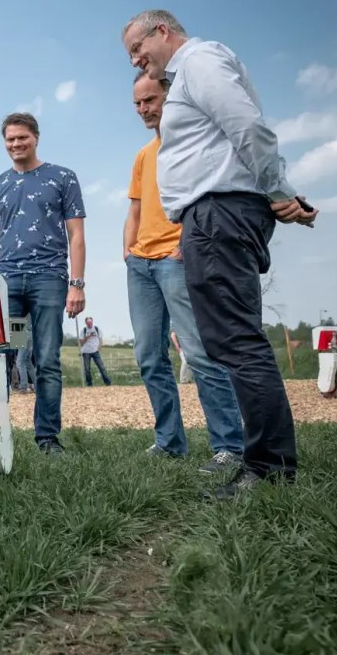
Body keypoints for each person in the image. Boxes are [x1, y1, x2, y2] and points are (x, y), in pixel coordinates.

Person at [122, 9, 318, 498]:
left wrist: (276, 189)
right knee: (231, 341)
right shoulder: (188, 73)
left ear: (162, 31)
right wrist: (281, 193)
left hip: (218, 215)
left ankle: (269, 469)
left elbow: (247, 125)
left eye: (136, 49)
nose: (135, 60)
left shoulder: (199, 60)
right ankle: (266, 462)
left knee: (236, 342)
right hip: (214, 216)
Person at [124, 72, 244, 473]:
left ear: (170, 98)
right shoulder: (144, 155)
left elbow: (208, 201)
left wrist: (184, 247)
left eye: (150, 100)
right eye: (138, 103)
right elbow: (135, 209)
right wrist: (128, 251)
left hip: (177, 261)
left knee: (198, 353)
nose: (144, 109)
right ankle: (169, 442)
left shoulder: (193, 146)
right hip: (141, 265)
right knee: (148, 357)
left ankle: (229, 446)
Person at [0, 112, 87, 455]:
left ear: (36, 138)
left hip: (48, 280)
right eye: (10, 139)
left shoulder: (63, 178)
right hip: (7, 283)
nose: (16, 144)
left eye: (22, 138)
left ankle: (47, 438)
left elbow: (76, 235)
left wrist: (77, 284)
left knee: (47, 360)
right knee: (0, 357)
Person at [79, 316, 112, 387]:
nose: (90, 324)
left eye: (91, 322)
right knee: (87, 369)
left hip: (95, 351)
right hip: (86, 352)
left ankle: (108, 383)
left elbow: (101, 340)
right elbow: (81, 343)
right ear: (86, 323)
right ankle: (89, 384)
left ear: (92, 322)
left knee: (101, 367)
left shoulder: (97, 329)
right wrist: (87, 337)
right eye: (88, 323)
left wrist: (98, 349)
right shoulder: (83, 330)